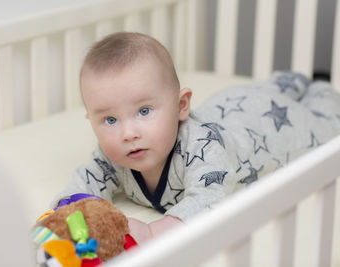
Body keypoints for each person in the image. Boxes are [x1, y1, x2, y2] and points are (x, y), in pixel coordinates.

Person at [51, 32, 340, 243]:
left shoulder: (204, 148)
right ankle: (287, 82)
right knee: (256, 93)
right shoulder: (110, 155)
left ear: (181, 106)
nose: (128, 133)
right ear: (92, 122)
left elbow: (209, 198)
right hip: (229, 107)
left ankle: (319, 87)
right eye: (110, 120)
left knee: (327, 127)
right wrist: (65, 220)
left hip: (266, 126)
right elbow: (82, 188)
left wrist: (153, 231)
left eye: (144, 111)